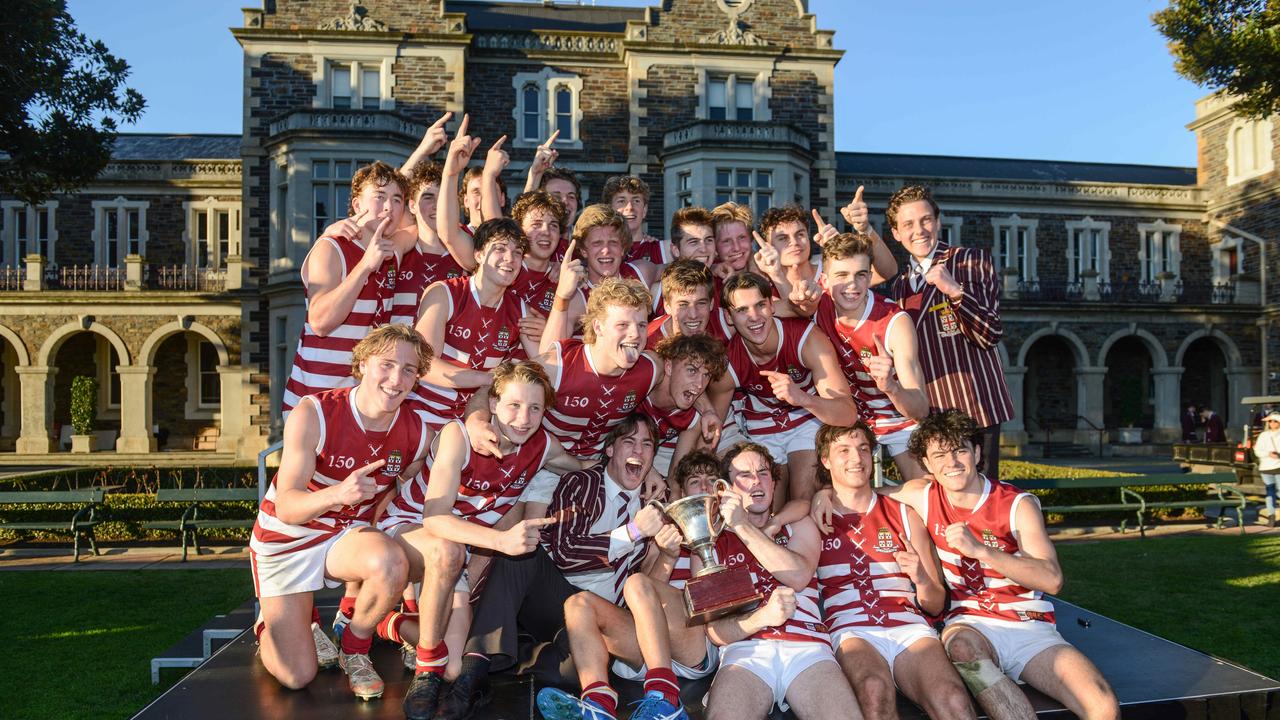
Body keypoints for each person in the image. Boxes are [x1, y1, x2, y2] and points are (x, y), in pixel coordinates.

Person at [378, 361, 589, 719]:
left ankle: (392, 625)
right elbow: (435, 517)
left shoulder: (541, 446)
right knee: (447, 552)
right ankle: (425, 671)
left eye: (535, 408)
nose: (523, 418)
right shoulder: (457, 437)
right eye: (514, 405)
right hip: (411, 529)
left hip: (457, 547)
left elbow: (583, 465)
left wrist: (641, 472)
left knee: (457, 669)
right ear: (492, 404)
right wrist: (501, 541)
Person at [888, 410, 1119, 720]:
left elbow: (1052, 579)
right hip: (972, 624)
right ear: (927, 464)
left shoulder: (1016, 504)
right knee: (962, 651)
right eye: (939, 454)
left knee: (1102, 707)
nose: (952, 462)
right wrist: (823, 498)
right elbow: (858, 496)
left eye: (960, 450)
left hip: (1028, 625)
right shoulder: (923, 494)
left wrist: (982, 551)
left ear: (977, 452)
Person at [438, 415, 666, 720]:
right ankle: (474, 670)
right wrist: (633, 532)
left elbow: (644, 577)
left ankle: (515, 651)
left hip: (599, 620)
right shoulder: (583, 483)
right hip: (557, 595)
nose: (638, 451)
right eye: (629, 441)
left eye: (647, 445)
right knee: (522, 551)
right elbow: (565, 552)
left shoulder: (655, 501)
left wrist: (666, 551)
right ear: (610, 449)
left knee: (573, 675)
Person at [250, 324, 432, 700]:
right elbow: (287, 507)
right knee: (297, 675)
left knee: (394, 561)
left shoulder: (417, 431)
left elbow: (416, 482)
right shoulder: (315, 412)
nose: (397, 379)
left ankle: (355, 647)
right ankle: (271, 623)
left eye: (409, 369)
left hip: (343, 536)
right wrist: (339, 493)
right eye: (387, 364)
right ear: (363, 363)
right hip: (287, 539)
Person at [534, 451, 728, 720]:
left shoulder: (731, 530)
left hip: (696, 642)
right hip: (647, 647)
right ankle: (598, 705)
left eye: (711, 480)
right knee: (579, 603)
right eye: (695, 481)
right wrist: (668, 557)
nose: (704, 487)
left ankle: (666, 697)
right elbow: (640, 596)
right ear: (681, 492)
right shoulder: (662, 532)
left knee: (637, 581)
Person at [813, 422, 974, 720]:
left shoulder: (903, 513)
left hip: (908, 625)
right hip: (851, 628)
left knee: (953, 700)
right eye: (843, 450)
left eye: (863, 449)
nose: (856, 458)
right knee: (873, 691)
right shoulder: (813, 517)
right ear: (825, 460)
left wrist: (921, 578)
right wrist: (819, 494)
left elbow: (936, 603)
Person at [704, 443, 859, 720]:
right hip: (746, 649)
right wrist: (762, 617)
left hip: (807, 644)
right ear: (725, 489)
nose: (756, 481)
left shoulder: (797, 523)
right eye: (744, 475)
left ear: (774, 484)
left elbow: (799, 576)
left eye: (764, 473)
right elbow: (716, 632)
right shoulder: (714, 543)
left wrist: (743, 525)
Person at [886, 184, 1014, 479]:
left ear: (938, 221)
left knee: (981, 503)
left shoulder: (970, 261)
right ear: (895, 233)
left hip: (975, 411)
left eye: (926, 220)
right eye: (908, 224)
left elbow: (990, 333)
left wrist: (955, 291)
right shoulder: (900, 285)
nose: (919, 230)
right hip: (930, 416)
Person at [712, 271, 856, 507]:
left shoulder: (807, 339)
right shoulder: (729, 363)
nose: (754, 317)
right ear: (729, 317)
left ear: (773, 306)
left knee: (803, 497)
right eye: (742, 310)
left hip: (806, 415)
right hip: (761, 422)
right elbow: (712, 430)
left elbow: (847, 413)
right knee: (765, 506)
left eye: (760, 305)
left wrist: (801, 398)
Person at [280, 160, 414, 415]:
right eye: (379, 196)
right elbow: (320, 321)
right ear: (357, 205)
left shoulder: (391, 250)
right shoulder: (331, 248)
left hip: (363, 404)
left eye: (397, 200)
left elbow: (420, 227)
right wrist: (365, 266)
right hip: (316, 404)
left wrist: (425, 148)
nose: (389, 206)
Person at [814, 232, 930, 480]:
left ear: (870, 276)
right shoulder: (816, 307)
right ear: (824, 280)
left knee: (926, 493)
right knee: (825, 491)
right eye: (841, 275)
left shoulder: (894, 322)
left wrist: (891, 387)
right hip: (848, 419)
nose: (852, 285)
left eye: (860, 275)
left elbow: (920, 408)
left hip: (898, 416)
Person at [641, 333, 728, 477]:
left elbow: (677, 473)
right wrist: (648, 472)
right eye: (692, 371)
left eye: (706, 375)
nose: (700, 384)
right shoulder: (646, 379)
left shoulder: (695, 418)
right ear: (668, 367)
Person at [646, 259, 733, 349]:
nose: (693, 315)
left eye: (701, 303)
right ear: (667, 306)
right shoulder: (649, 344)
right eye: (683, 305)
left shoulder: (724, 323)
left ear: (711, 303)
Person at [603, 175, 668, 265]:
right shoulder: (600, 252)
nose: (630, 207)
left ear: (644, 210)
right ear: (610, 209)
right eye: (621, 201)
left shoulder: (663, 251)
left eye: (636, 201)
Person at [1254, 411, 1280, 527]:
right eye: (1270, 421)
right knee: (1270, 492)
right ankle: (1271, 516)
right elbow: (1257, 451)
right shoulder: (1263, 435)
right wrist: (1268, 454)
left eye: (1275, 421)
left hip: (1278, 466)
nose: (1272, 423)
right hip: (1266, 467)